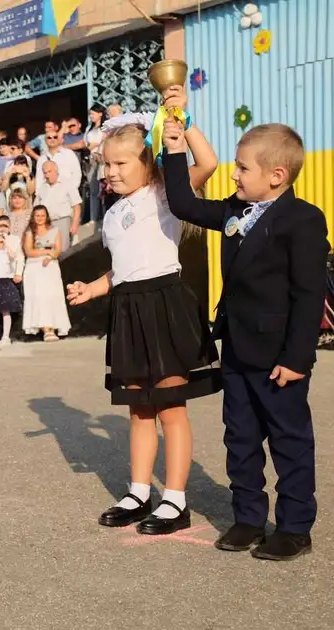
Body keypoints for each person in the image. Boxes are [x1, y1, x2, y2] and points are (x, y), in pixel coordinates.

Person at [163, 121, 329, 560]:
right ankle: (248, 518)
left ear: (276, 175)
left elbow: (309, 295)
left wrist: (298, 358)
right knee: (240, 436)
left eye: (241, 168)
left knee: (289, 441)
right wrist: (174, 147)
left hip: (279, 356)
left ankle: (295, 527)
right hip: (236, 346)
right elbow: (181, 203)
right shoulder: (233, 211)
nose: (234, 175)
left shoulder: (304, 219)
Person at [66, 112, 220, 537]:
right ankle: (138, 492)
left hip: (164, 303)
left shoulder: (165, 193)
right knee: (139, 408)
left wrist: (181, 123)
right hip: (128, 309)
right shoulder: (114, 214)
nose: (111, 172)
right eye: (107, 164)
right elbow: (122, 270)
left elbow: (207, 165)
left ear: (147, 162)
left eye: (121, 164)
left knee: (171, 407)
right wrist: (92, 289)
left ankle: (175, 499)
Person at [21, 205, 71, 341]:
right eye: (37, 215)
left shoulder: (55, 230)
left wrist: (50, 256)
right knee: (39, 297)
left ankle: (54, 326)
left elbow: (57, 250)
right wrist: (46, 251)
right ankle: (45, 329)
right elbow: (29, 252)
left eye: (42, 215)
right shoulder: (30, 232)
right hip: (34, 268)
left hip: (51, 267)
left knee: (52, 296)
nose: (40, 218)